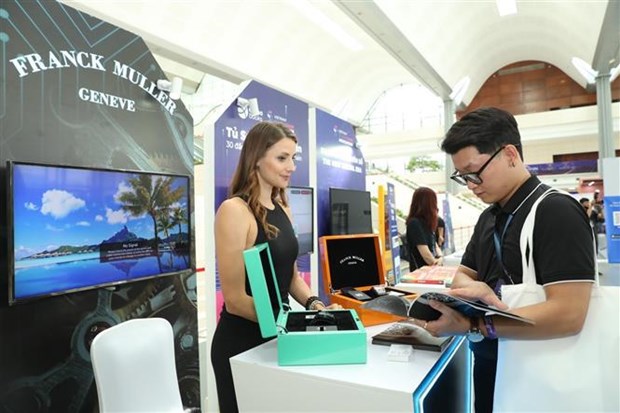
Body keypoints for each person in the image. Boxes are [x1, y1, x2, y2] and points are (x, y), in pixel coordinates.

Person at [415, 107, 594, 413]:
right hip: (492, 363)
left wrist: (477, 322)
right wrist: (482, 293)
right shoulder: (489, 216)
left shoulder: (555, 211)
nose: (470, 184)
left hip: (542, 374)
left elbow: (570, 314)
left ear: (510, 154)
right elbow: (462, 277)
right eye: (463, 176)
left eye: (475, 172)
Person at [210, 121, 341, 413]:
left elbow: (291, 276)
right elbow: (234, 300)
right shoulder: (234, 211)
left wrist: (315, 304)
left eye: (293, 158)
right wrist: (290, 326)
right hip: (241, 344)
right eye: (282, 158)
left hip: (277, 338)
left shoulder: (283, 208)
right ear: (256, 159)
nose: (291, 166)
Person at [405, 187, 443, 272]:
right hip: (421, 274)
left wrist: (440, 257)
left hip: (431, 270)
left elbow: (434, 243)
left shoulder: (427, 222)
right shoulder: (414, 223)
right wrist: (436, 262)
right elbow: (426, 256)